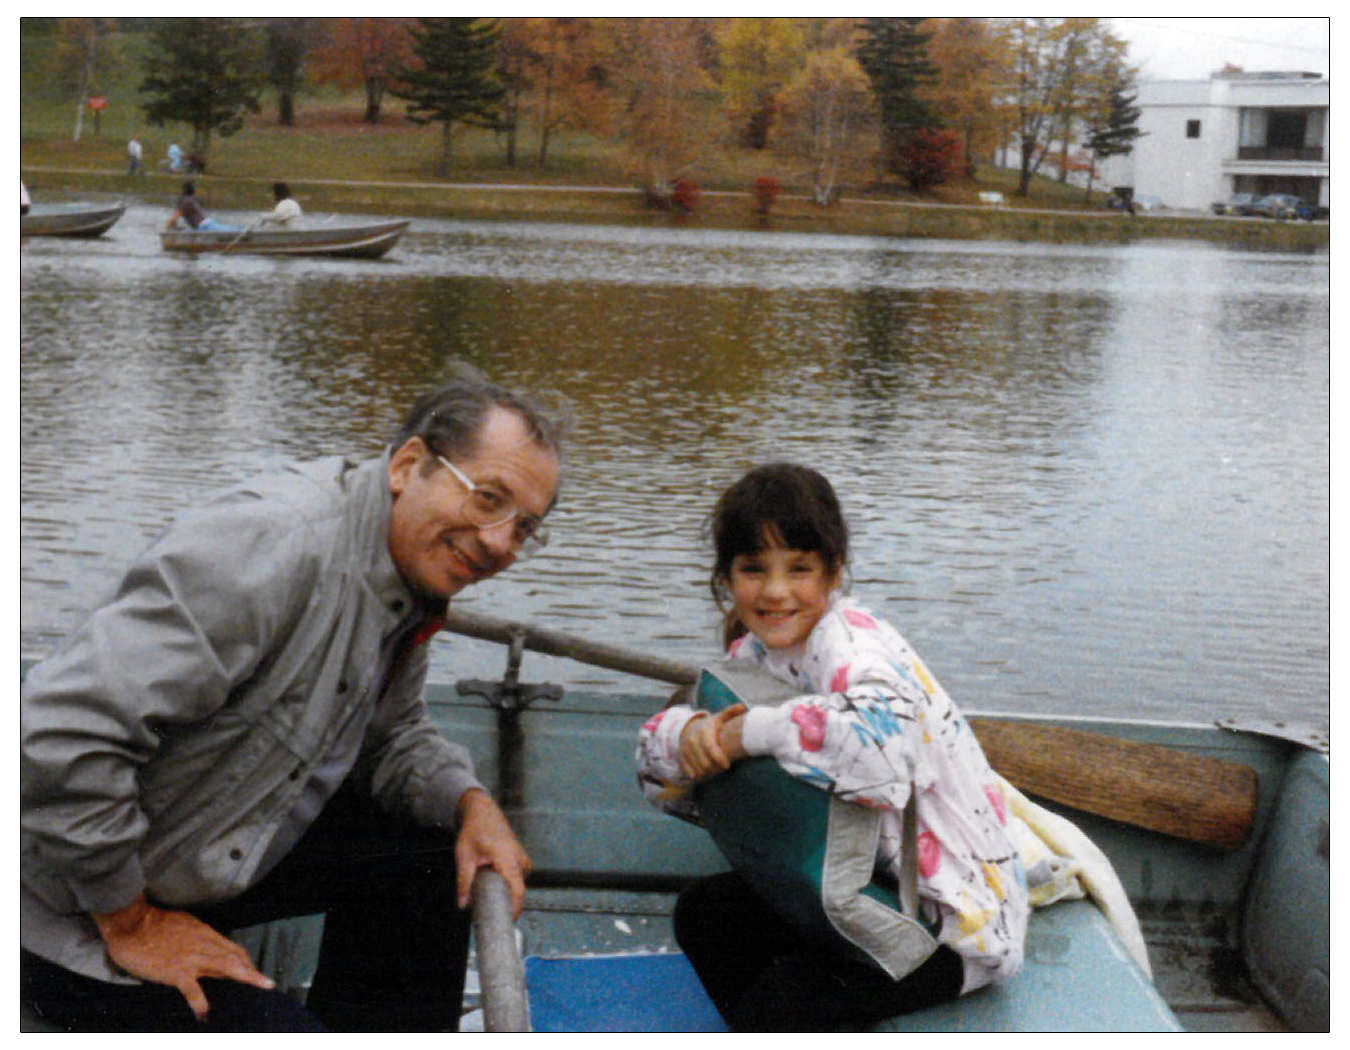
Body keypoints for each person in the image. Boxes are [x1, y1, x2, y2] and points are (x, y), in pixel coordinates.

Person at [20, 372, 565, 1032]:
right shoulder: (274, 545)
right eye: (487, 498)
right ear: (409, 465)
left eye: (525, 526)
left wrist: (470, 803)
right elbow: (58, 732)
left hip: (192, 853)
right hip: (59, 903)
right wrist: (130, 920)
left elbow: (389, 736)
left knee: (428, 856)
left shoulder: (401, 571)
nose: (499, 542)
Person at [635, 463, 1028, 1031]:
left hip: (945, 925)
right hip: (849, 894)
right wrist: (690, 736)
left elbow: (881, 748)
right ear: (726, 577)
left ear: (833, 572)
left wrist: (743, 734)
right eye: (753, 569)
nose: (774, 591)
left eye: (799, 568)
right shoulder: (755, 655)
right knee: (705, 914)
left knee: (786, 1002)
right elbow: (660, 780)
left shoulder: (851, 643)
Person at [165, 181, 233, 232]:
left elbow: (174, 218)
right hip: (209, 222)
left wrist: (167, 228)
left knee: (229, 231)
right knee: (231, 230)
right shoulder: (192, 199)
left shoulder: (185, 201)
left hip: (204, 227)